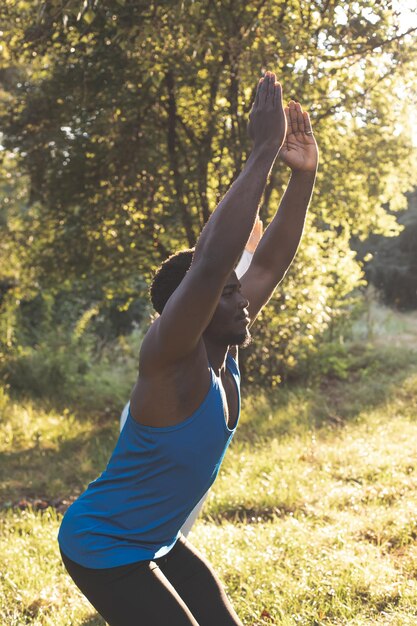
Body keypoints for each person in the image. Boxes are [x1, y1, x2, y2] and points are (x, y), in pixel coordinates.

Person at [58, 71, 319, 626]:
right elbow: (210, 263)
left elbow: (267, 263)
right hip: (104, 548)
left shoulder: (226, 348)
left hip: (159, 538)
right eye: (227, 293)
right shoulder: (171, 361)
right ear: (192, 309)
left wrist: (304, 176)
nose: (243, 299)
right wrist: (262, 151)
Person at [118, 217, 263, 537]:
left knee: (173, 526)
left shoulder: (217, 354)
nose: (240, 299)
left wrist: (249, 251)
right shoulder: (174, 357)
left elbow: (237, 277)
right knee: (161, 522)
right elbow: (210, 278)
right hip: (117, 538)